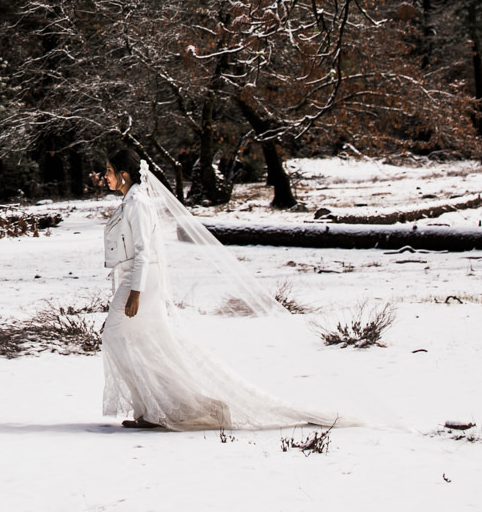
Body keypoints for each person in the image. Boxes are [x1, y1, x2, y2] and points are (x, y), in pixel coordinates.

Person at [95, 147, 335, 431]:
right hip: (135, 278)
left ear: (124, 175)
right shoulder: (130, 200)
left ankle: (176, 406)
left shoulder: (138, 203)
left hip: (141, 280)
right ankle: (156, 408)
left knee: (118, 337)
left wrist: (135, 292)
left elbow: (144, 250)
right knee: (142, 343)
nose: (105, 176)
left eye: (109, 171)